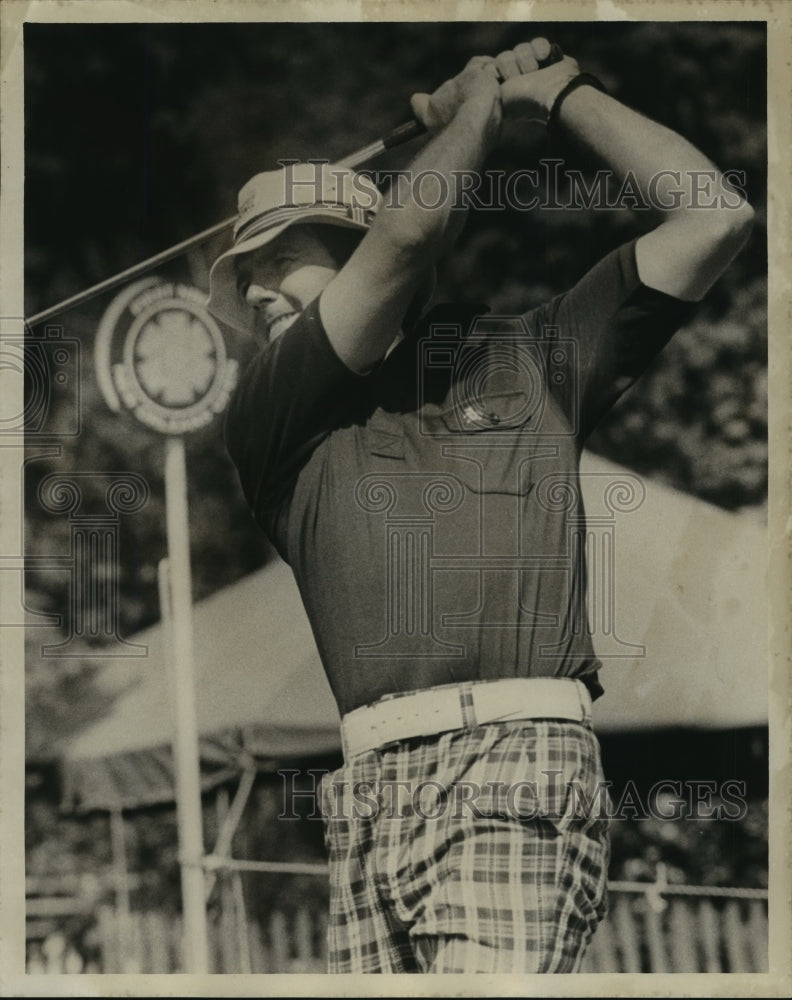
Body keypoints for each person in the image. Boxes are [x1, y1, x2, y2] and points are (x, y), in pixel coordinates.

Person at [207, 39, 753, 974]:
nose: (253, 291)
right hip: (367, 791)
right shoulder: (270, 411)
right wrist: (477, 110)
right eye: (244, 274)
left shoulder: (531, 357)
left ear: (350, 251)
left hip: (519, 762)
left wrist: (559, 93)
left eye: (282, 258)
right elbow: (410, 236)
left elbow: (713, 217)